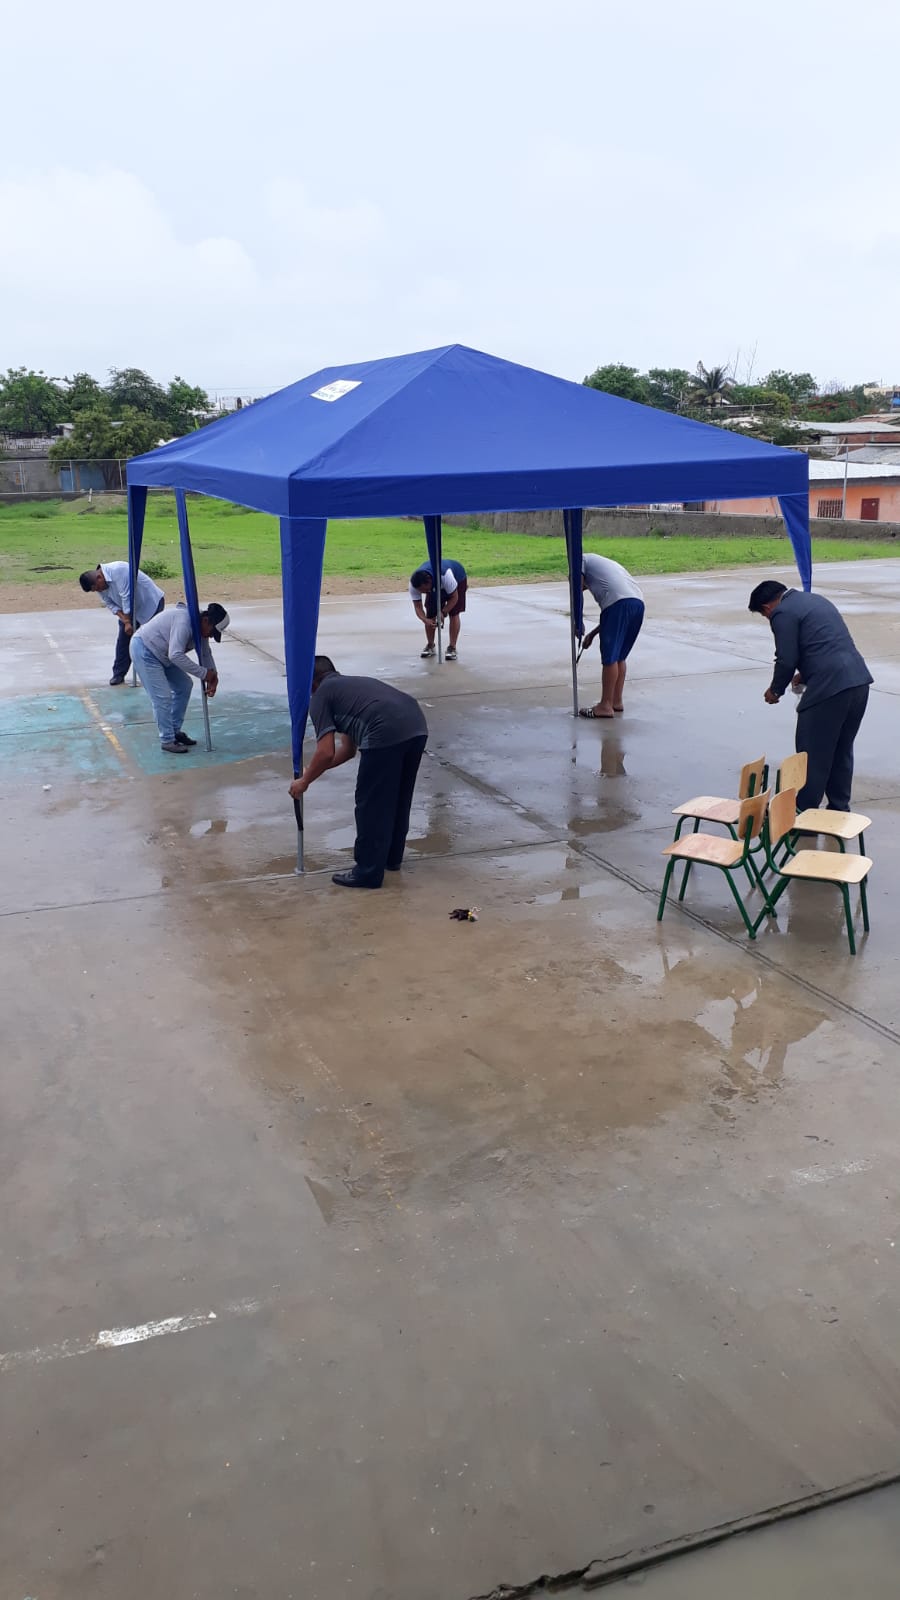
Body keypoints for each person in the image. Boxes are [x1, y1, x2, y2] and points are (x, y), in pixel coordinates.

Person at [289, 656, 428, 889]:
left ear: (311, 682)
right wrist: (310, 772)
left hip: (384, 730)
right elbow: (347, 751)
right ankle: (391, 858)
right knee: (398, 799)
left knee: (371, 805)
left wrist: (304, 781)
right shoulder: (347, 688)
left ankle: (367, 872)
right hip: (416, 724)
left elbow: (325, 752)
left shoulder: (321, 696)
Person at [748, 580, 872, 812]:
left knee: (811, 755)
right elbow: (826, 643)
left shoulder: (782, 612)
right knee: (841, 750)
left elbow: (786, 658)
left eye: (765, 616)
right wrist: (805, 673)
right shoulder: (815, 600)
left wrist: (775, 690)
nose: (768, 619)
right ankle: (838, 810)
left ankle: (804, 813)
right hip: (858, 682)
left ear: (766, 608)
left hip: (829, 689)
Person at [129, 601, 229, 754]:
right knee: (162, 697)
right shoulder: (184, 621)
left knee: (184, 686)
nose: (210, 636)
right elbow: (175, 655)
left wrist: (213, 676)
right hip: (145, 650)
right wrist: (204, 674)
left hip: (162, 654)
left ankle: (174, 731)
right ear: (206, 620)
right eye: (212, 632)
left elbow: (205, 653)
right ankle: (167, 740)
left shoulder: (200, 626)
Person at [578, 553, 645, 719]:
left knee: (610, 658)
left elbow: (576, 594)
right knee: (620, 657)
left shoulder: (579, 561)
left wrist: (577, 622)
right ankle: (616, 701)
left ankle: (605, 706)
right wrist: (592, 634)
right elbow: (619, 608)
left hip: (618, 605)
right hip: (637, 604)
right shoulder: (603, 564)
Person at [79, 562, 165, 686]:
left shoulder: (119, 570)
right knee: (123, 642)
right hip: (128, 611)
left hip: (150, 604)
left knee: (152, 641)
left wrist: (127, 621)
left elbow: (126, 597)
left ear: (99, 577)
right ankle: (118, 674)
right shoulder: (98, 584)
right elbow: (109, 603)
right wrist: (125, 620)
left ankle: (159, 673)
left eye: (98, 588)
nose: (99, 591)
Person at [409, 558, 468, 660]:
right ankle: (430, 645)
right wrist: (425, 619)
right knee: (430, 614)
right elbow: (418, 606)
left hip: (458, 578)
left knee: (454, 613)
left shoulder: (445, 575)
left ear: (429, 580)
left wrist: (443, 612)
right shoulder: (413, 586)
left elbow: (454, 597)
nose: (425, 593)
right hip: (436, 584)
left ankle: (452, 647)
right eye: (422, 592)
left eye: (426, 590)